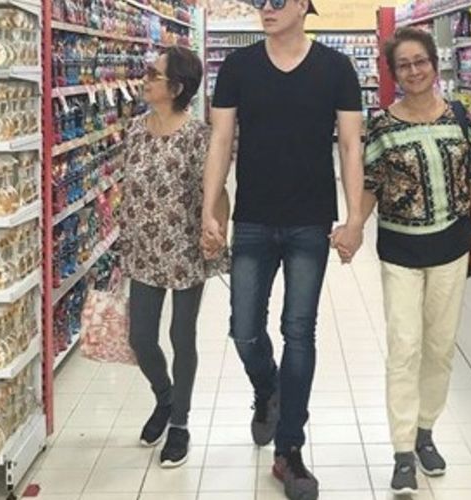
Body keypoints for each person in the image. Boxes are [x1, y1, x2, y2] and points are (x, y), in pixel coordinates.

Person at [200, 0, 365, 498]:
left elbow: (351, 145)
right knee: (244, 329)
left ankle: (289, 449)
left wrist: (355, 219)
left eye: (276, 1)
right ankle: (268, 388)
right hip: (253, 217)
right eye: (260, 2)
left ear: (303, 5)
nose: (265, 9)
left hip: (310, 221)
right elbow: (220, 139)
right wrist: (209, 209)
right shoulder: (238, 66)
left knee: (299, 331)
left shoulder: (336, 68)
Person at [355, 27, 471, 495]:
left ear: (434, 64)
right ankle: (401, 452)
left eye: (420, 62)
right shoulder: (382, 126)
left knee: (440, 346)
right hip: (400, 250)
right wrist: (353, 227)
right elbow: (370, 183)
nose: (413, 71)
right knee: (404, 346)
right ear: (393, 74)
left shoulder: (459, 116)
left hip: (451, 246)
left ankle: (425, 431)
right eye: (403, 65)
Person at [119, 46, 228, 469]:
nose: (145, 79)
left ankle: (179, 422)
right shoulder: (133, 130)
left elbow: (217, 192)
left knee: (183, 337)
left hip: (184, 249)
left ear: (177, 88)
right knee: (141, 337)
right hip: (143, 249)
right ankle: (164, 397)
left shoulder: (199, 136)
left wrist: (217, 230)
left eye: (154, 74)